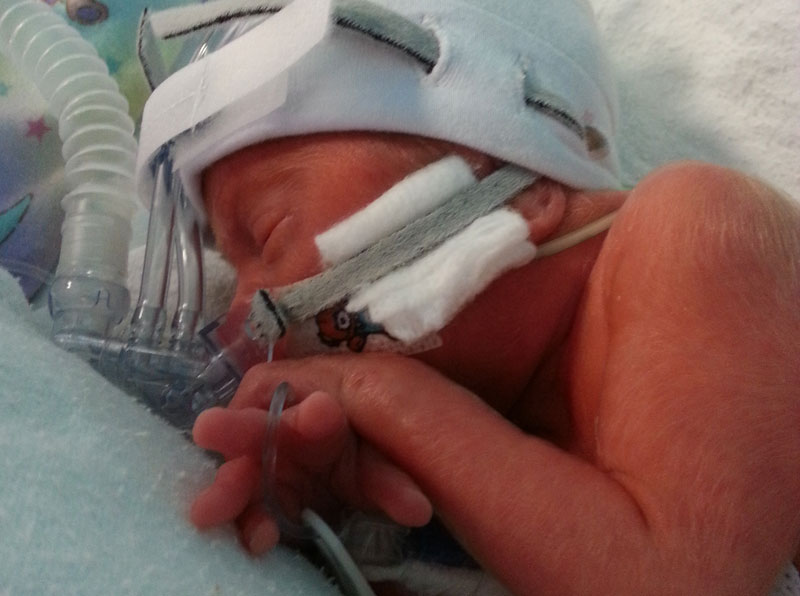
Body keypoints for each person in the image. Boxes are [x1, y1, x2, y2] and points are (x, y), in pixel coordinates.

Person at [132, 0, 800, 593]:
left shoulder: (699, 227)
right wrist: (335, 510)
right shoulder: (501, 421)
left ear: (518, 196)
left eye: (269, 232)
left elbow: (675, 580)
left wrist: (381, 395)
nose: (238, 319)